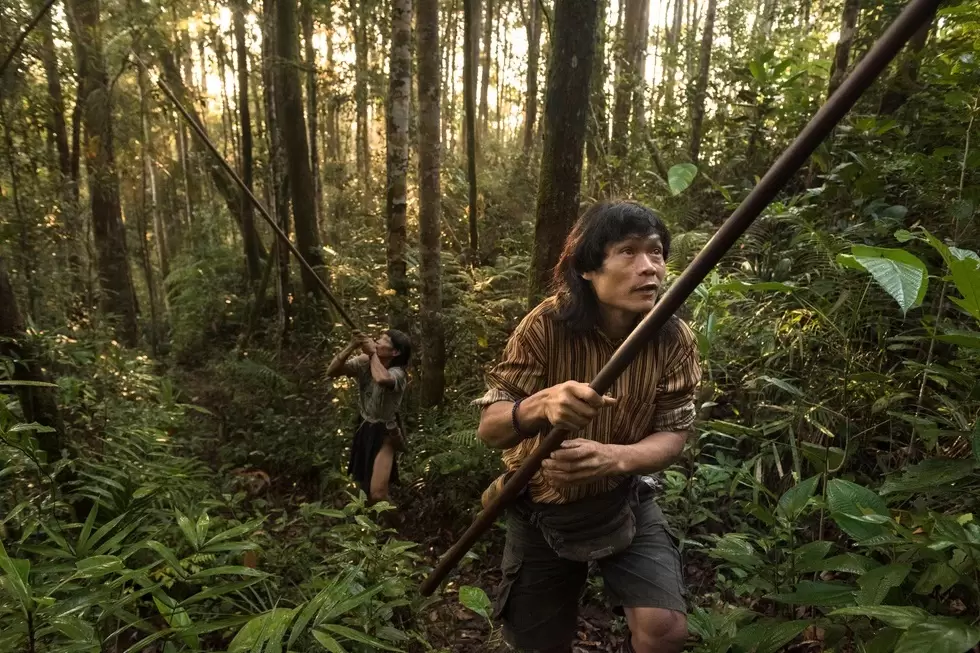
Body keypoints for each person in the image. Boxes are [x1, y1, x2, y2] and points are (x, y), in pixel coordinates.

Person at [473, 200, 701, 653]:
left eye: (656, 252)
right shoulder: (545, 326)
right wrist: (540, 405)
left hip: (624, 497)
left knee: (664, 630)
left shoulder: (673, 338)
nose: (649, 267)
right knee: (537, 643)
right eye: (628, 252)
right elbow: (491, 429)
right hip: (541, 508)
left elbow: (674, 434)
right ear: (587, 268)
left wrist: (614, 458)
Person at [326, 328, 412, 504]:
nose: (378, 341)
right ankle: (373, 521)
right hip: (365, 426)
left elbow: (381, 378)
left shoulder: (399, 374)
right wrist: (351, 346)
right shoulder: (365, 361)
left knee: (378, 494)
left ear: (395, 352)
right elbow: (332, 371)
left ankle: (396, 520)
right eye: (379, 338)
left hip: (386, 432)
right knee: (363, 489)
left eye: (384, 340)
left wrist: (372, 353)